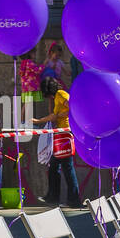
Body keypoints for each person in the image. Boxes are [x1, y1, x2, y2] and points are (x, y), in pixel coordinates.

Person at [32, 77, 81, 208]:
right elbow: (53, 115)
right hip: (61, 134)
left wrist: (57, 116)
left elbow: (73, 107)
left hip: (64, 134)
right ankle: (54, 197)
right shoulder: (57, 97)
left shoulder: (61, 94)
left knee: (67, 168)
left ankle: (72, 199)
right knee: (55, 168)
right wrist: (38, 121)